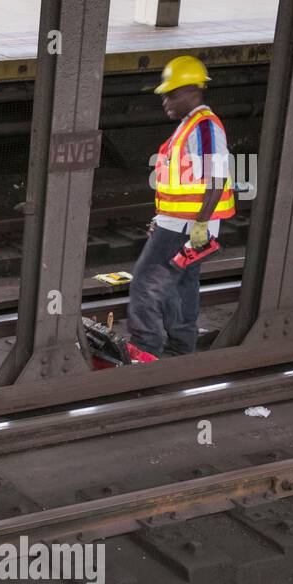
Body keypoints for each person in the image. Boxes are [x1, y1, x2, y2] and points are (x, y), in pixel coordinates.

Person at [127, 56, 235, 358]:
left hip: (186, 229)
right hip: (182, 225)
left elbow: (216, 178)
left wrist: (200, 225)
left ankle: (143, 351)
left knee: (146, 287)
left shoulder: (203, 128)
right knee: (180, 288)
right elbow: (185, 182)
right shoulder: (191, 127)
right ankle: (179, 353)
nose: (165, 100)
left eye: (172, 93)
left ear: (193, 92)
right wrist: (162, 217)